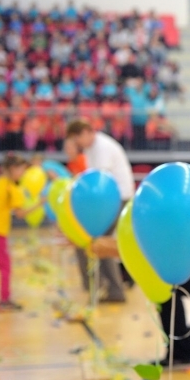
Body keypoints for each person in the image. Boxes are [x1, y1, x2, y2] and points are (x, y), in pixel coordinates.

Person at [90, 218, 190, 370]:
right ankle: (183, 353)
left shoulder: (175, 215)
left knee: (166, 277)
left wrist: (113, 248)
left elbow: (159, 255)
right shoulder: (177, 211)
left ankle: (180, 355)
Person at [66, 119, 135, 303]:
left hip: (117, 199)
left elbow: (100, 183)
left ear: (86, 132)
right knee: (96, 242)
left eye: (77, 139)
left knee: (101, 243)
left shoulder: (102, 147)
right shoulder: (90, 149)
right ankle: (102, 286)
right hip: (106, 201)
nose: (77, 144)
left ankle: (112, 289)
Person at [0, 153, 44, 311]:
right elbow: (20, 214)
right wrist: (39, 203)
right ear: (13, 169)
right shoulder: (11, 187)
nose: (23, 173)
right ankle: (4, 300)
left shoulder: (0, 182)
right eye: (21, 169)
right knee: (5, 267)